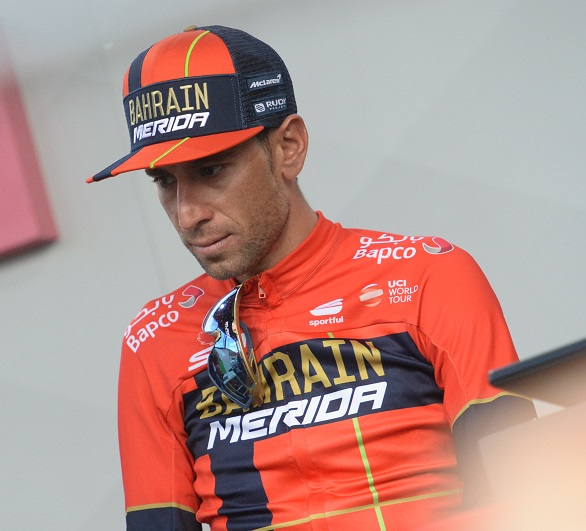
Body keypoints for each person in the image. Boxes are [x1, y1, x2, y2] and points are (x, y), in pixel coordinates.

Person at [87, 25, 536, 531]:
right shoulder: (152, 340)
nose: (188, 214)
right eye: (165, 181)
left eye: (211, 171)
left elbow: (523, 491)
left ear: (289, 147)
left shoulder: (429, 276)